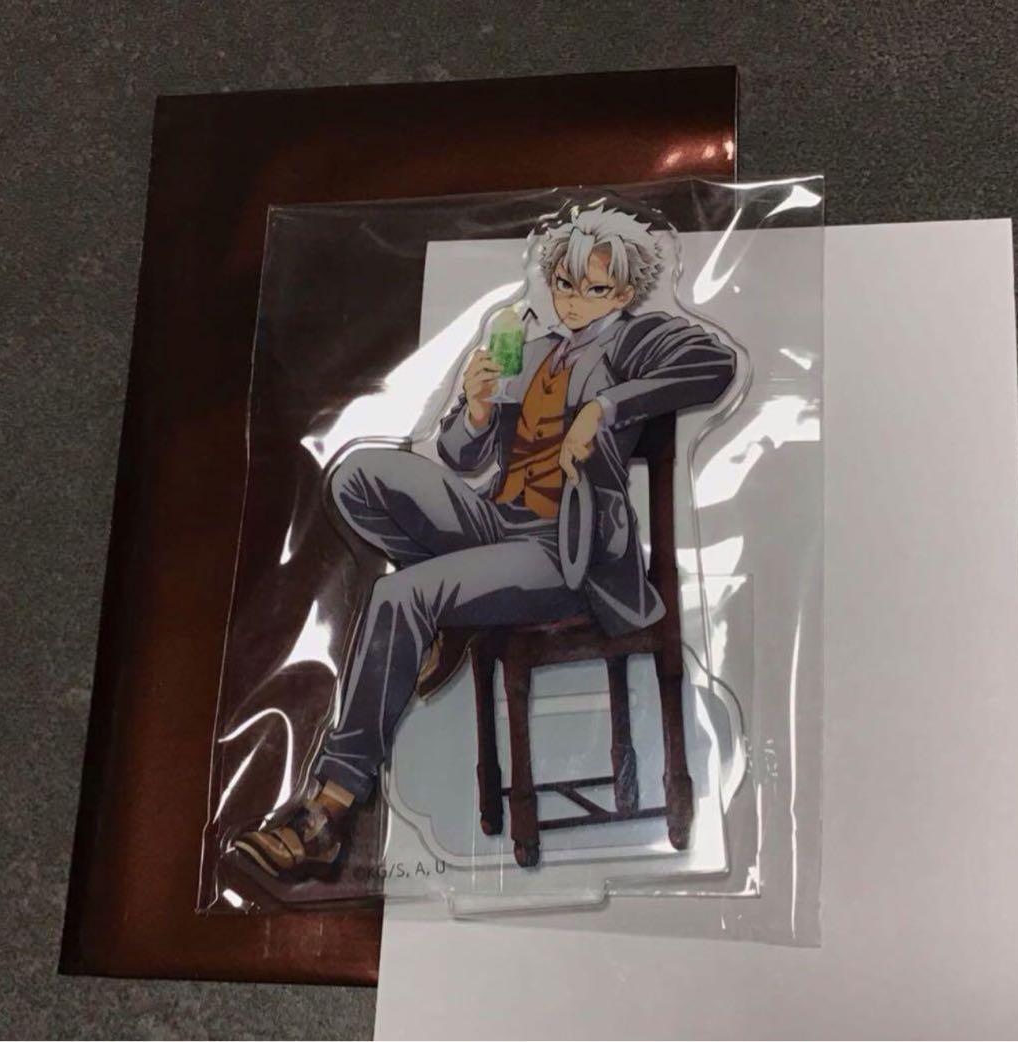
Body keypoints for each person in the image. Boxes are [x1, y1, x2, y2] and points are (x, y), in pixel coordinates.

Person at [232, 204, 736, 880]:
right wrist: (472, 408)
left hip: (567, 554)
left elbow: (714, 363)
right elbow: (462, 455)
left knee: (401, 595)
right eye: (565, 284)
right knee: (357, 477)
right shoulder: (528, 346)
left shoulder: (635, 341)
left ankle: (332, 805)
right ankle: (451, 615)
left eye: (595, 289)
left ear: (623, 291)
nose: (575, 301)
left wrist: (605, 407)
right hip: (496, 525)